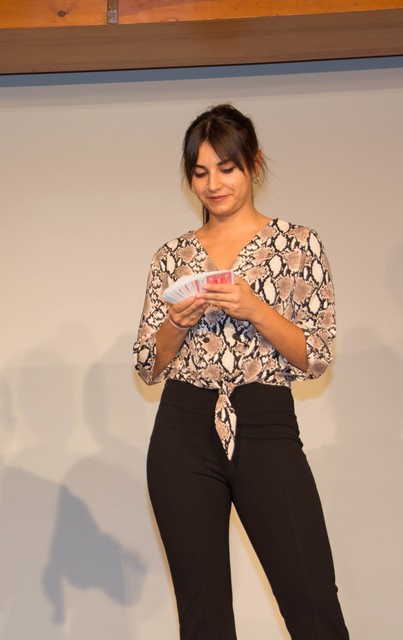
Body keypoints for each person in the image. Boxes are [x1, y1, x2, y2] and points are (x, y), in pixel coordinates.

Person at [132, 104, 348, 639]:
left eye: (226, 168)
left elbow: (316, 355)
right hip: (183, 427)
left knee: (313, 605)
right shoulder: (172, 256)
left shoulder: (298, 244)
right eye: (200, 172)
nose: (213, 184)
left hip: (265, 420)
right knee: (203, 619)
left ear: (253, 163)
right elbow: (148, 365)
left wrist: (256, 309)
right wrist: (176, 324)